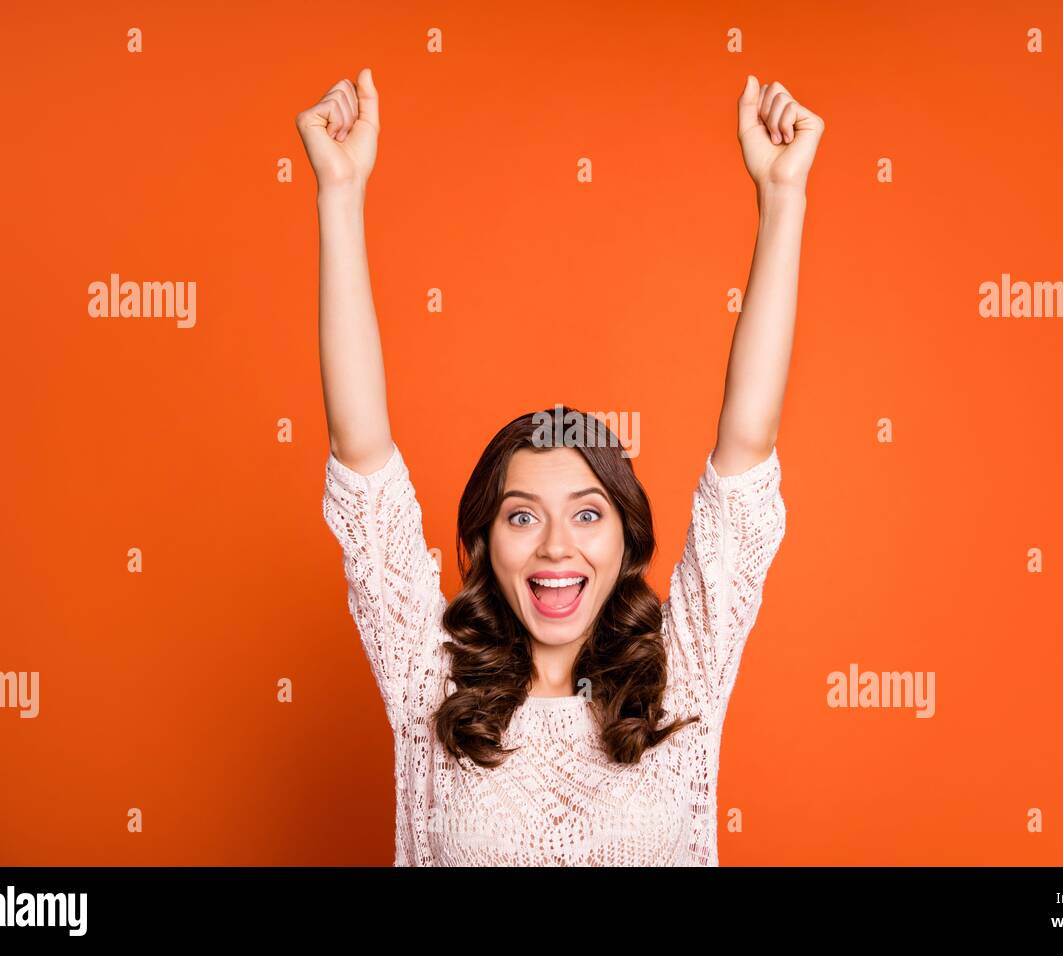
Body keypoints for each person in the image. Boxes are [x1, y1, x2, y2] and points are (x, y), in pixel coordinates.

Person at [296, 67, 822, 865]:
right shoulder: (427, 686)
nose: (554, 546)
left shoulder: (683, 676)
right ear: (483, 542)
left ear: (625, 539)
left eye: (586, 513)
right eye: (521, 515)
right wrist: (339, 192)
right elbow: (360, 452)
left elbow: (747, 444)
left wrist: (783, 200)